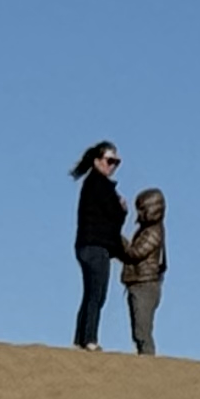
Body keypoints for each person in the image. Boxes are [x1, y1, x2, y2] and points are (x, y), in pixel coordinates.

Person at [70, 141, 127, 349]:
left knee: (90, 293)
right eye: (109, 161)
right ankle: (89, 340)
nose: (112, 166)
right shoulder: (100, 185)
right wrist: (122, 208)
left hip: (86, 246)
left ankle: (81, 339)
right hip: (96, 247)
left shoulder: (92, 184)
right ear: (97, 161)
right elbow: (114, 216)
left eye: (116, 162)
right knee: (97, 294)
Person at [119, 185, 168, 354]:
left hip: (145, 286)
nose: (138, 213)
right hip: (139, 284)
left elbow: (135, 253)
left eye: (142, 209)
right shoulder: (147, 230)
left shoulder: (153, 232)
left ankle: (147, 362)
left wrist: (117, 238)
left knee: (142, 331)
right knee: (139, 330)